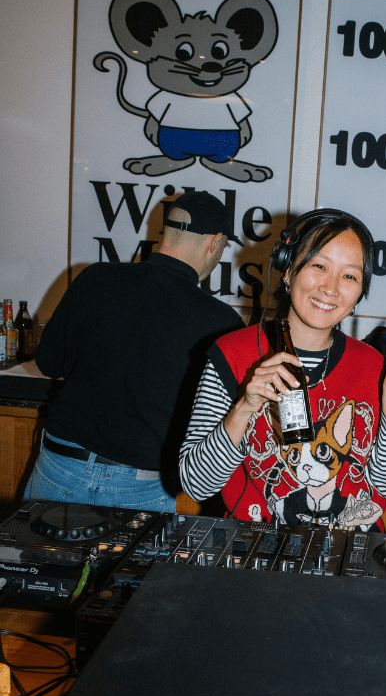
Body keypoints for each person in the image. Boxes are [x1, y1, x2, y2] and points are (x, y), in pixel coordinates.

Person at [179, 209, 386, 528]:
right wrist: (246, 406)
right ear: (287, 269)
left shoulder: (374, 364)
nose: (331, 288)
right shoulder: (232, 354)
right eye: (319, 266)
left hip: (349, 556)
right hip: (258, 552)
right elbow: (197, 485)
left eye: (350, 275)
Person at [25, 191, 242, 511]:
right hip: (141, 488)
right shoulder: (223, 323)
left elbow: (48, 363)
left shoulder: (95, 278)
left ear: (166, 231)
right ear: (214, 242)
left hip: (61, 467)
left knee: (40, 563)